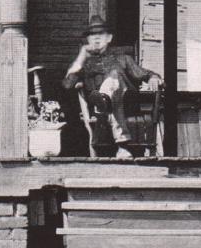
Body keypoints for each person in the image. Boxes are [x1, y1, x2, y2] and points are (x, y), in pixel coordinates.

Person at [63, 16, 161, 157]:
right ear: (88, 40)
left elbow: (144, 74)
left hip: (126, 103)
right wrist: (81, 56)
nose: (96, 38)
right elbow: (67, 84)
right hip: (99, 110)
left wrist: (154, 77)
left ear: (109, 38)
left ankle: (103, 102)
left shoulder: (123, 58)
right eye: (92, 35)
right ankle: (122, 144)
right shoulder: (86, 63)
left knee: (113, 78)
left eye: (100, 34)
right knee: (107, 93)